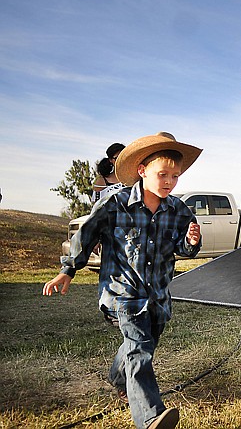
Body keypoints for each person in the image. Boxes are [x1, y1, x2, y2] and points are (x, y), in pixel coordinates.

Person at [43, 132, 203, 429]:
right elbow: (85, 236)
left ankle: (118, 377)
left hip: (157, 297)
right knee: (139, 348)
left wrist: (191, 241)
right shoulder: (115, 204)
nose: (169, 181)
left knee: (142, 344)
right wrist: (68, 269)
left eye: (175, 176)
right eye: (162, 174)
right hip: (122, 295)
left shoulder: (178, 210)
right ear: (142, 170)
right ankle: (151, 417)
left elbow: (183, 248)